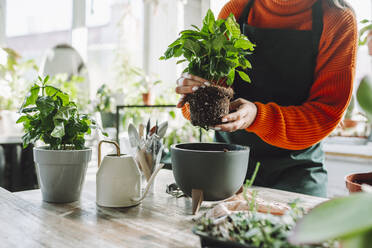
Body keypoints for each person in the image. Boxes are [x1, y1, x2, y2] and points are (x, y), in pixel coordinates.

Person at [176, 0, 357, 197]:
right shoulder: (236, 10)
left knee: (294, 227)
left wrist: (258, 117)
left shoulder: (336, 19)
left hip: (297, 169)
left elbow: (325, 113)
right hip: (229, 163)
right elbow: (216, 90)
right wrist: (195, 92)